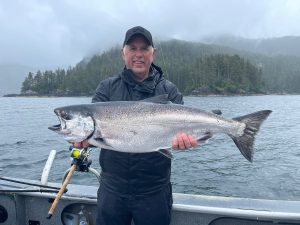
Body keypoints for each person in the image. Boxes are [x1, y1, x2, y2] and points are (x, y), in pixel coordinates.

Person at [74, 26, 198, 225]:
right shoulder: (107, 88)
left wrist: (183, 142)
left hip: (154, 191)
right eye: (132, 48)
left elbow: (179, 132)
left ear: (153, 53)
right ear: (123, 53)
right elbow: (93, 133)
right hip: (112, 190)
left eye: (144, 49)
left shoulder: (169, 90)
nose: (138, 54)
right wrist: (83, 141)